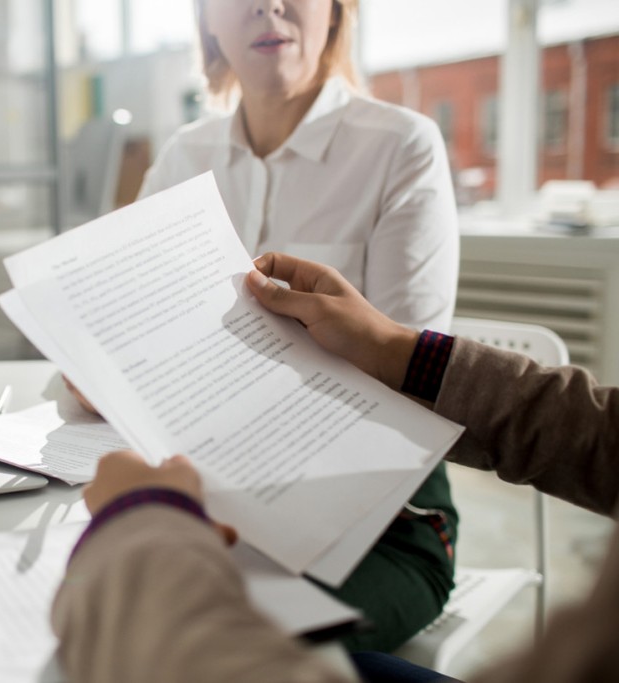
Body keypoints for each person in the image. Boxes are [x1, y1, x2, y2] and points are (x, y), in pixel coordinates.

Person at [51, 251, 619, 683]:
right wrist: (391, 347)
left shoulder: (398, 142)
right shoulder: (186, 151)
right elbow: (596, 432)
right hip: (248, 475)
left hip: (378, 493)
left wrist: (143, 524)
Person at [117, 0, 461, 652]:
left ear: (334, 12)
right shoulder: (183, 156)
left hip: (379, 515)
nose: (267, 5)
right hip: (207, 493)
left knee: (202, 644)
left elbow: (405, 371)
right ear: (207, 21)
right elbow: (138, 327)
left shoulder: (400, 144)